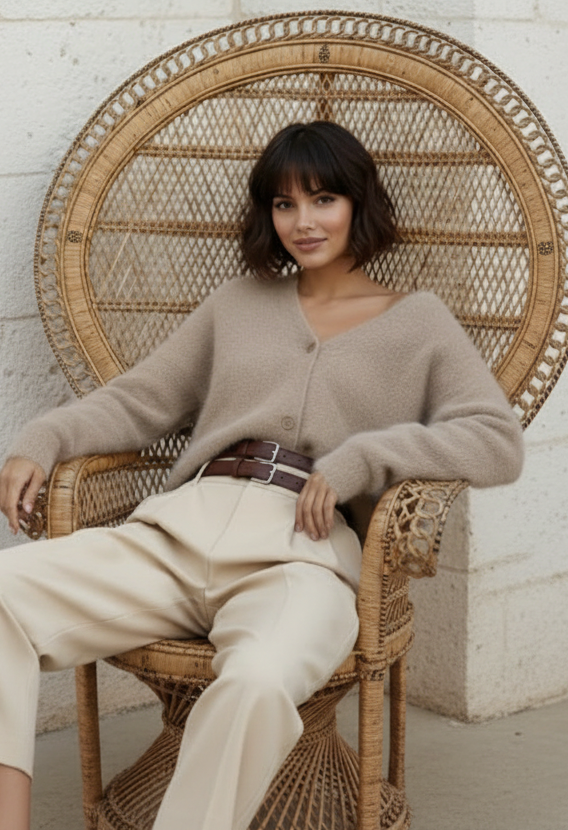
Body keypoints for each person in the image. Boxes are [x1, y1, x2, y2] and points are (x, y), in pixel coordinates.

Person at [0, 121, 524, 830]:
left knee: (258, 681)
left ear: (359, 204)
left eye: (323, 199)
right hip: (179, 531)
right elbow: (138, 401)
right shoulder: (237, 304)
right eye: (283, 205)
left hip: (302, 553)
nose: (303, 222)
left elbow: (497, 442)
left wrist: (363, 459)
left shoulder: (419, 323)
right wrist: (40, 438)